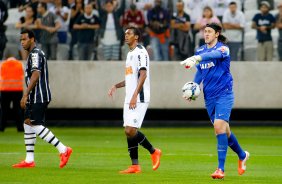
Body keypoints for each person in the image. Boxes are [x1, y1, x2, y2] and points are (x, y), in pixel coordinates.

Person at [180, 23, 249, 179]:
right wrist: (193, 87)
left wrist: (196, 58)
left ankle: (220, 169)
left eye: (209, 32)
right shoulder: (200, 50)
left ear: (217, 34)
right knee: (225, 130)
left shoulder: (223, 49)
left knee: (218, 127)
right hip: (209, 96)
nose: (206, 34)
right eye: (205, 32)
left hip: (224, 93)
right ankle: (242, 154)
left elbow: (213, 56)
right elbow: (200, 71)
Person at [12, 29, 72, 168]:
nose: (22, 42)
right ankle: (29, 160)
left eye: (25, 39)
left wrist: (25, 94)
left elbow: (36, 75)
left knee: (35, 124)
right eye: (21, 40)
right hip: (34, 96)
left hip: (39, 95)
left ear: (32, 39)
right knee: (27, 123)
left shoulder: (35, 54)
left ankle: (63, 149)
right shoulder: (34, 54)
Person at [108, 27, 161, 174]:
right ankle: (135, 165)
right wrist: (116, 86)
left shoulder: (140, 52)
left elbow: (143, 75)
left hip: (139, 97)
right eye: (125, 33)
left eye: (129, 33)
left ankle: (154, 151)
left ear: (136, 37)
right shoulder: (130, 54)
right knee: (129, 131)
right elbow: (130, 78)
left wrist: (134, 95)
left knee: (130, 130)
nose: (126, 35)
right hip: (130, 97)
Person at [0, 56, 24, 132]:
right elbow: (24, 75)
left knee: (4, 110)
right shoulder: (20, 64)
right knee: (18, 110)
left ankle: (1, 127)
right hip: (17, 90)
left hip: (5, 90)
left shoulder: (3, 64)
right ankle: (20, 128)